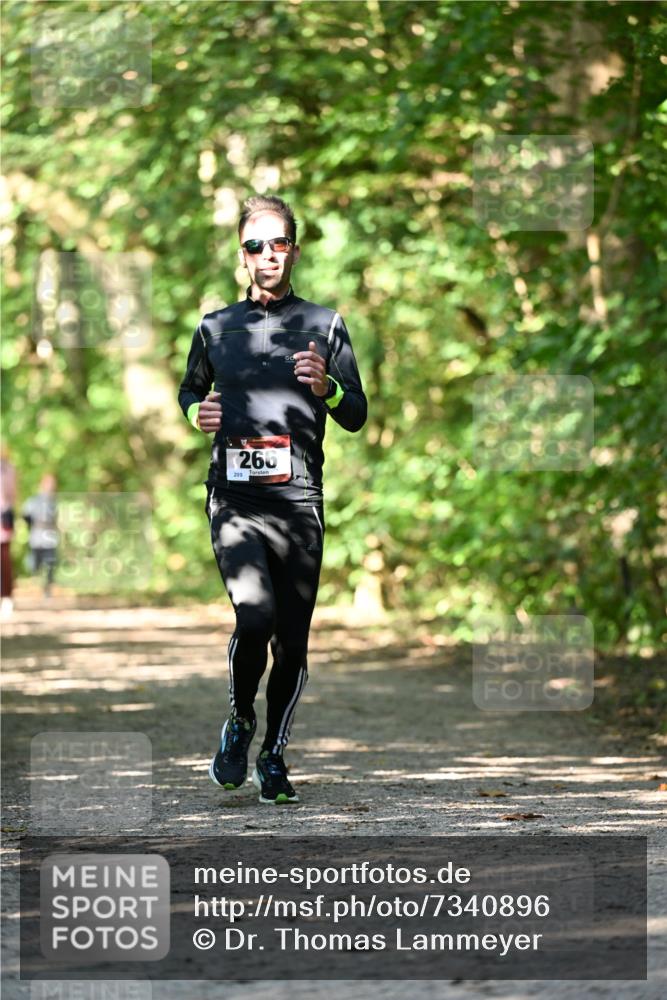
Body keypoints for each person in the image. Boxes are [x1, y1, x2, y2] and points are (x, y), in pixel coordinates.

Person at [178, 195, 367, 804]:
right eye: (255, 245)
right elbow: (189, 391)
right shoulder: (214, 327)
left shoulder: (325, 325)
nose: (267, 254)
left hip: (299, 502)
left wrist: (328, 388)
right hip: (234, 500)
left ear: (294, 250)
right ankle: (240, 721)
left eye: (278, 242)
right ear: (242, 255)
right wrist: (196, 414)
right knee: (254, 616)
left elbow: (356, 412)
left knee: (292, 642)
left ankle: (274, 754)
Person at [22, 473, 59, 598]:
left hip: (50, 537)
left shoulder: (55, 501)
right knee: (35, 564)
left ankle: (47, 589)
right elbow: (26, 516)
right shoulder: (34, 500)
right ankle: (37, 582)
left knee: (50, 563)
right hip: (37, 536)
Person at [0, 446, 18, 616]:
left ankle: (6, 596)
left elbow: (12, 496)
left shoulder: (8, 469)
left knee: (4, 557)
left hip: (3, 518)